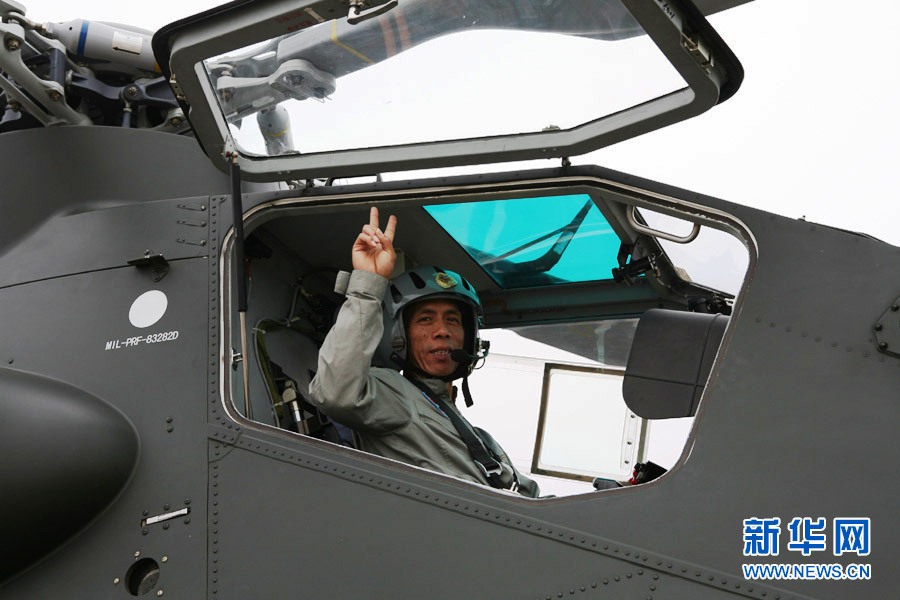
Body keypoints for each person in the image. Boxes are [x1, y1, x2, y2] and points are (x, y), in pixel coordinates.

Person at [308, 207, 538, 497]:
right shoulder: (394, 393)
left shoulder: (480, 438)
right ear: (398, 335)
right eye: (426, 320)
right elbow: (335, 393)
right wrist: (367, 287)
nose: (442, 331)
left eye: (452, 320)